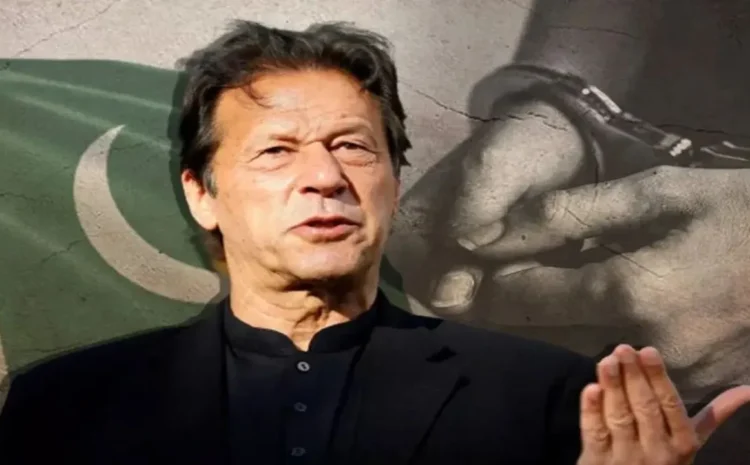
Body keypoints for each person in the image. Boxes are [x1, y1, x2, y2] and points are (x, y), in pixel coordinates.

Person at [0, 20, 748, 465]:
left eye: (353, 147)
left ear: (394, 181)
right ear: (203, 195)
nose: (325, 177)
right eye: (277, 151)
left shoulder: (559, 399)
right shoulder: (60, 405)